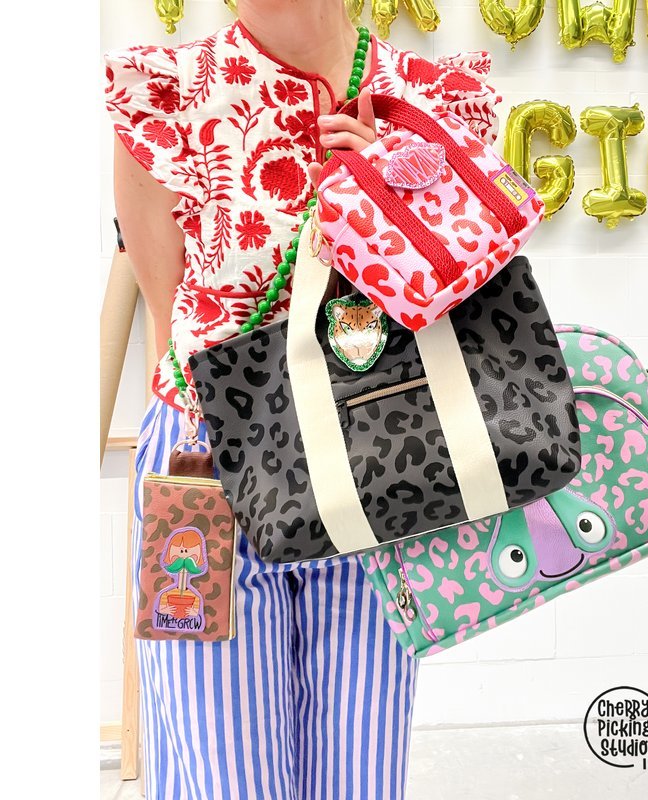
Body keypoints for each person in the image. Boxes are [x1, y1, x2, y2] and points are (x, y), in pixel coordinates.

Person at [104, 1, 501, 797]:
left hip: (377, 462)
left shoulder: (435, 97)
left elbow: (469, 310)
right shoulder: (167, 92)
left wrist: (397, 198)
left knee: (359, 767)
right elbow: (169, 306)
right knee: (218, 773)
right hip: (203, 468)